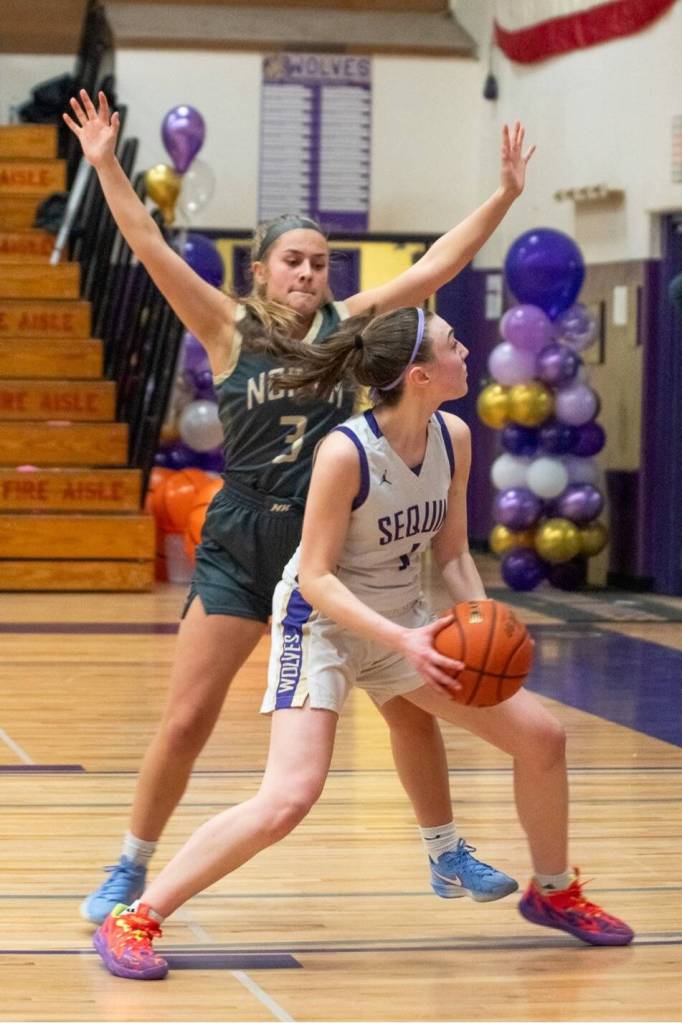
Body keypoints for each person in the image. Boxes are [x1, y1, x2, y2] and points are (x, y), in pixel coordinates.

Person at [64, 90, 534, 925]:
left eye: (320, 261)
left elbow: (433, 268)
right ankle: (130, 865)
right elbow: (145, 242)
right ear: (261, 269)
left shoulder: (350, 327)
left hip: (334, 545)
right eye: (294, 261)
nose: (310, 273)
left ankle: (445, 849)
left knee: (406, 704)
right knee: (186, 720)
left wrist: (501, 196)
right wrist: (104, 164)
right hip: (246, 538)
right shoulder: (223, 322)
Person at [91, 306, 633, 980]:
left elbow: (455, 552)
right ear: (420, 374)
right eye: (453, 344)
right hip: (319, 628)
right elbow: (314, 576)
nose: (467, 350)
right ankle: (135, 915)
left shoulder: (453, 437)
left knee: (543, 738)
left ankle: (553, 891)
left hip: (406, 623)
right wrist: (401, 638)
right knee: (289, 795)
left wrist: (484, 617)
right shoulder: (345, 452)